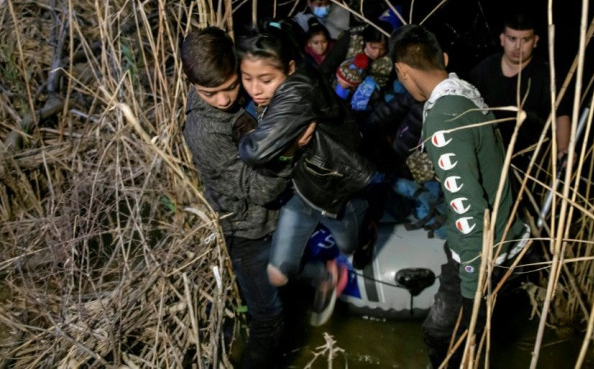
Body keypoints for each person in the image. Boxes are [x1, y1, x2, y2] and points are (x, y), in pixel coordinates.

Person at [389, 24, 531, 368]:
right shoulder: (462, 90)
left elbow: (470, 214)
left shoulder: (443, 119)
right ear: (445, 60)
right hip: (504, 236)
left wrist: (471, 300)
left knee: (441, 334)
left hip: (485, 250)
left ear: (402, 71)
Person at [179, 26, 313, 368]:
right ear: (192, 84)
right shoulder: (204, 129)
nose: (224, 100)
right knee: (268, 320)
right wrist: (288, 148)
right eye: (210, 93)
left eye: (229, 87)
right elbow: (258, 189)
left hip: (277, 219)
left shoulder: (246, 84)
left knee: (289, 297)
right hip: (246, 232)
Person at [234, 21, 376, 327]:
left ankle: (368, 225)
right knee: (277, 275)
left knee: (351, 246)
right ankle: (326, 275)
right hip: (302, 190)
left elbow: (254, 151)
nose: (255, 89)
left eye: (265, 79)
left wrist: (242, 138)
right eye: (247, 78)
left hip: (335, 193)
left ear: (291, 68)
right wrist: (289, 149)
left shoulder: (299, 90)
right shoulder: (277, 92)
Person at [466, 11, 573, 201]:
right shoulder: (485, 69)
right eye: (512, 38)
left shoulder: (546, 74)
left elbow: (561, 114)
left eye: (525, 40)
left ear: (536, 40)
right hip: (487, 155)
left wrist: (563, 149)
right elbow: (465, 108)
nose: (517, 46)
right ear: (502, 39)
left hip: (529, 162)